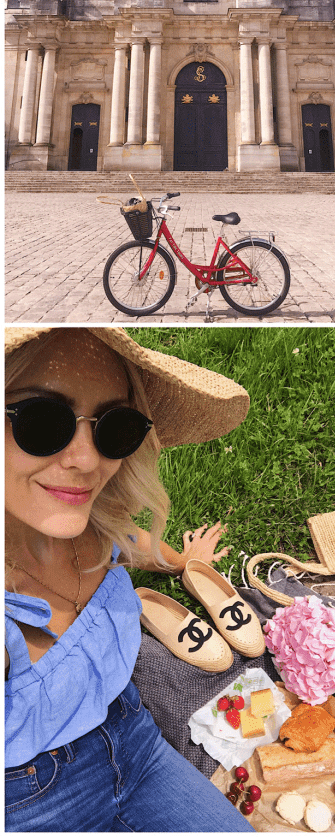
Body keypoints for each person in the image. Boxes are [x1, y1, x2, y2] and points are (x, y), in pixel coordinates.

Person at [5, 326, 255, 832]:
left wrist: (183, 562)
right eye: (41, 420)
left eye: (113, 427)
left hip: (137, 737)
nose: (87, 459)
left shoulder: (95, 523)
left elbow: (134, 543)